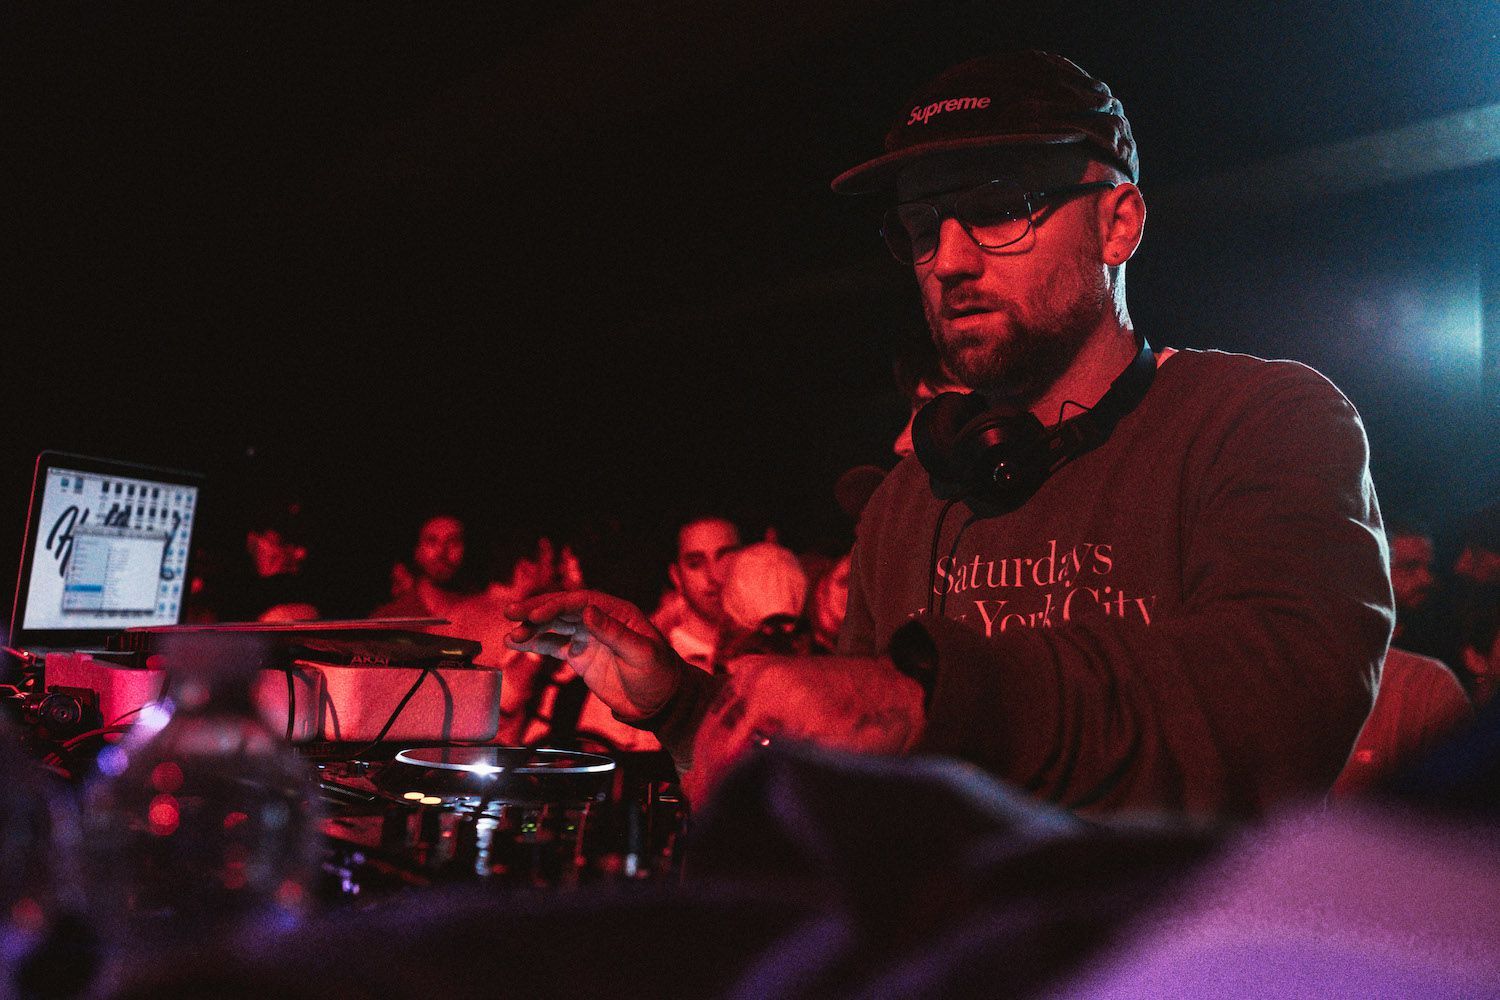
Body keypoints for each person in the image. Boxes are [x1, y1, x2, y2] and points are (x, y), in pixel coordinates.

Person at [506, 51, 1391, 818]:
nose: (951, 260)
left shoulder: (1262, 420)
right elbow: (852, 776)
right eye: (923, 228)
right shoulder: (910, 498)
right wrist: (684, 709)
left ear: (1118, 223)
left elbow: (1282, 705)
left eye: (1000, 209)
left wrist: (932, 698)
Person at [648, 516, 742, 673]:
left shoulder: (776, 642)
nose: (714, 576)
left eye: (726, 560)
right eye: (695, 564)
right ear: (676, 576)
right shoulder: (654, 659)